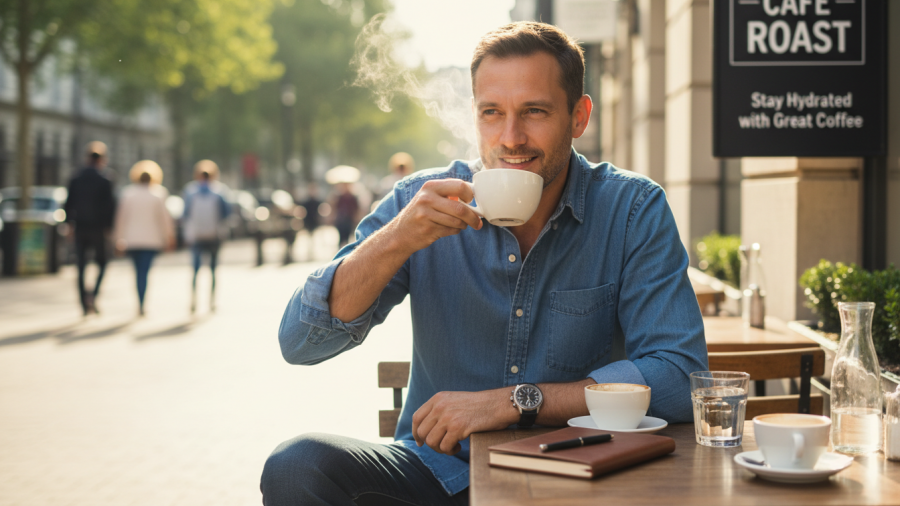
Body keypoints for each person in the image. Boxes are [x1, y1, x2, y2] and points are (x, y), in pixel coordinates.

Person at [262, 22, 708, 505]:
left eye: (534, 111)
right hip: (438, 469)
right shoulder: (421, 203)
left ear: (579, 117)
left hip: (579, 470)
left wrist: (515, 402)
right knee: (296, 466)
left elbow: (679, 378)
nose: (510, 138)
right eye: (491, 113)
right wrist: (396, 239)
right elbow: (300, 343)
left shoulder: (631, 209)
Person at [113, 160, 174, 316]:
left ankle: (139, 302)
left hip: (132, 240)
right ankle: (142, 302)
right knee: (144, 273)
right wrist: (169, 237)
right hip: (151, 241)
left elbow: (121, 219)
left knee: (137, 272)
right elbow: (165, 219)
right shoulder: (159, 193)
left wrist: (118, 239)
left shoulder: (128, 193)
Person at [64, 141, 116, 316]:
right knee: (102, 263)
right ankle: (92, 295)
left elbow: (68, 203)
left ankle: (83, 303)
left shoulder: (75, 177)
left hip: (80, 227)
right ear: (102, 159)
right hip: (98, 229)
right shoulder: (105, 179)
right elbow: (110, 206)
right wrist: (109, 228)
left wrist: (69, 224)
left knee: (80, 266)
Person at [182, 160, 231, 313]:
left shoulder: (190, 191)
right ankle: (212, 301)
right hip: (214, 235)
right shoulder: (220, 191)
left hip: (196, 236)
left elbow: (185, 214)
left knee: (195, 270)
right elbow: (226, 213)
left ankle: (194, 300)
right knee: (213, 270)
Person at [331, 182, 360, 248]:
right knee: (341, 237)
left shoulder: (352, 197)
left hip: (349, 219)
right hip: (340, 219)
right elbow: (334, 207)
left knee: (347, 237)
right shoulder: (339, 197)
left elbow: (356, 209)